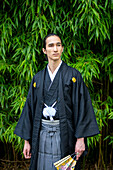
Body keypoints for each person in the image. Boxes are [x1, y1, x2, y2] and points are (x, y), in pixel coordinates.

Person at [14, 33, 99, 170]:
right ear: (44, 50)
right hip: (42, 133)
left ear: (62, 48)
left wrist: (81, 139)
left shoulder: (73, 76)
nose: (55, 49)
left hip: (66, 134)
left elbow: (83, 107)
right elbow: (29, 109)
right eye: (51, 45)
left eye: (58, 45)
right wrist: (27, 141)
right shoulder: (38, 78)